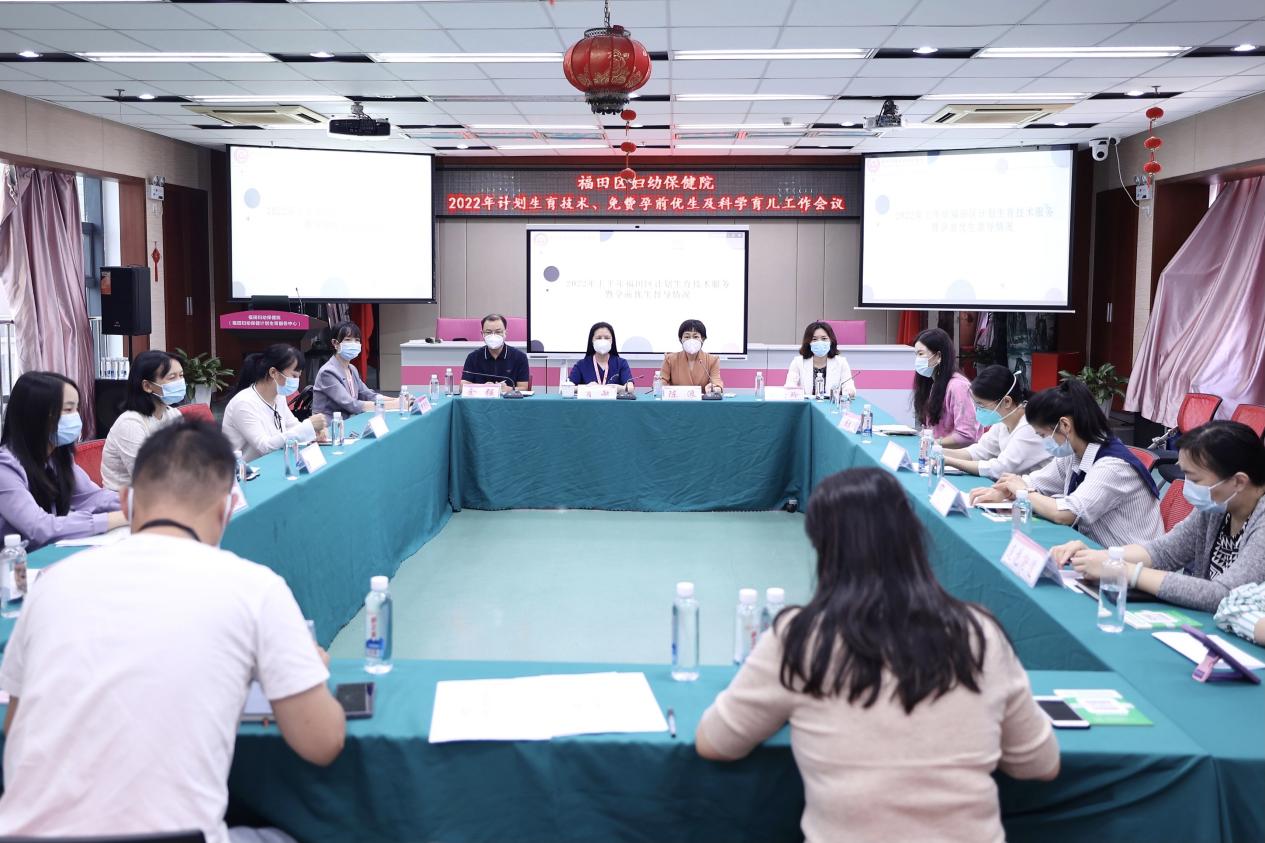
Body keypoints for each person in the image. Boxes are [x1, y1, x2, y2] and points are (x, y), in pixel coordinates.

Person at [0, 421, 346, 843]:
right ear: (225, 511)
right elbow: (322, 742)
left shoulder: (50, 583)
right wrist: (308, 664)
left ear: (126, 502)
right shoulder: (255, 588)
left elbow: (15, 725)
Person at [695, 468, 1058, 843]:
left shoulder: (800, 637)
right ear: (913, 536)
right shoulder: (980, 633)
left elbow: (716, 741)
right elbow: (1040, 763)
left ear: (823, 547)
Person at [1053, 420, 1265, 613]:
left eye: (1195, 479)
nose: (1187, 486)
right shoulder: (1218, 507)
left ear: (1238, 482)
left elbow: (1225, 595)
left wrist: (1124, 571)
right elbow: (1163, 552)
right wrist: (1103, 557)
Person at [970, 379, 1164, 549]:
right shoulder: (1074, 453)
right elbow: (1037, 482)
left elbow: (1065, 513)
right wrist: (1004, 490)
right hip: (1097, 553)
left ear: (1064, 425)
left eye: (1043, 435)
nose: (1043, 442)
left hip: (1128, 566)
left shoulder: (1112, 467)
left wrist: (1022, 492)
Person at [0, 372, 125, 549]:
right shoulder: (5, 466)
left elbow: (92, 497)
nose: (76, 417)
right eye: (68, 410)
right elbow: (39, 527)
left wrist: (138, 503)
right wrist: (118, 518)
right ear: (36, 415)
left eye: (76, 408)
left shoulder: (57, 457)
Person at [222, 344, 326, 462]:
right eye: (293, 376)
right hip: (246, 469)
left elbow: (293, 426)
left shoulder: (279, 397)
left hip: (273, 462)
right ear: (273, 372)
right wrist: (308, 426)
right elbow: (264, 447)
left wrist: (314, 432)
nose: (296, 381)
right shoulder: (243, 403)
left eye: (298, 376)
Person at [942, 365, 1049, 479]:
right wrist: (939, 451)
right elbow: (980, 451)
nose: (977, 410)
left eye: (981, 405)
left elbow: (1000, 468)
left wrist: (949, 461)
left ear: (1007, 402)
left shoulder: (1030, 427)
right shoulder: (1003, 420)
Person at [101, 349, 186, 490]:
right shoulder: (130, 423)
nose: (180, 382)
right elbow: (147, 478)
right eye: (172, 378)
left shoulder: (174, 415)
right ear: (147, 386)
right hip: (125, 498)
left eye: (181, 376)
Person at [912, 327, 981, 447]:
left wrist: (935, 443)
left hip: (957, 455)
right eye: (916, 354)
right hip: (938, 453)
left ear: (938, 356)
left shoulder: (958, 387)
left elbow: (967, 435)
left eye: (921, 354)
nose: (917, 359)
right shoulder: (933, 383)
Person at [312, 320, 397, 417]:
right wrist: (393, 405)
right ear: (335, 343)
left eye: (357, 340)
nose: (353, 344)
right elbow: (352, 404)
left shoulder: (352, 369)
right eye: (348, 340)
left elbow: (368, 395)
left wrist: (397, 400)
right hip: (330, 423)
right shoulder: (327, 372)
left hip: (349, 420)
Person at [461, 313, 531, 392]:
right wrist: (482, 387)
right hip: (482, 399)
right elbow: (462, 387)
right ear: (482, 334)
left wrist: (509, 389)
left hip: (509, 399)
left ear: (505, 333)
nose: (493, 336)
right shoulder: (473, 357)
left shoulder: (520, 357)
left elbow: (524, 388)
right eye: (488, 332)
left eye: (498, 332)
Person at [785, 321, 855, 399]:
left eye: (824, 338)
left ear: (831, 341)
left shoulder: (841, 362)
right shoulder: (798, 362)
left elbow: (849, 387)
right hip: (807, 404)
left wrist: (848, 391)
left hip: (831, 405)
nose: (819, 342)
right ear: (808, 342)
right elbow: (789, 386)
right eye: (814, 339)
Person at [659, 318, 723, 394]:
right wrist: (661, 387)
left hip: (702, 401)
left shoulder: (712, 360)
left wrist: (715, 389)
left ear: (702, 339)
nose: (691, 340)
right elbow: (661, 382)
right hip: (677, 400)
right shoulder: (670, 359)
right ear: (680, 339)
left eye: (695, 337)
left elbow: (716, 382)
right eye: (687, 337)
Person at [569, 322, 634, 393]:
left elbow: (631, 388)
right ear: (592, 340)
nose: (603, 341)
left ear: (612, 340)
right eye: (598, 338)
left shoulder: (621, 363)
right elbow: (567, 388)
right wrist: (586, 387)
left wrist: (620, 388)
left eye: (607, 338)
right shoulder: (581, 364)